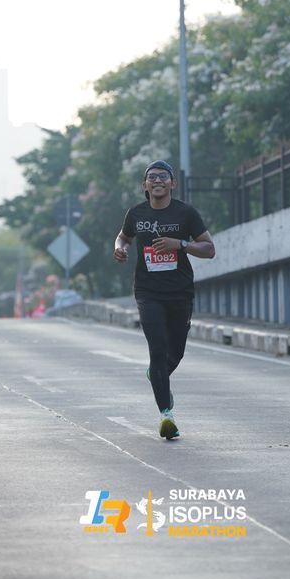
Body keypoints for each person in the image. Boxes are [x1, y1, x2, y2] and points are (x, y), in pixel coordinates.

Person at [114, 160, 215, 439]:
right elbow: (123, 237)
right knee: (157, 349)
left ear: (173, 183)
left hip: (180, 292)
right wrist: (120, 248)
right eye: (152, 177)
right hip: (148, 292)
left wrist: (180, 244)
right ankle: (166, 415)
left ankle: (157, 374)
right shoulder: (136, 213)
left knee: (175, 352)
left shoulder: (185, 213)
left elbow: (209, 249)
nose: (157, 181)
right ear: (144, 185)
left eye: (162, 176)